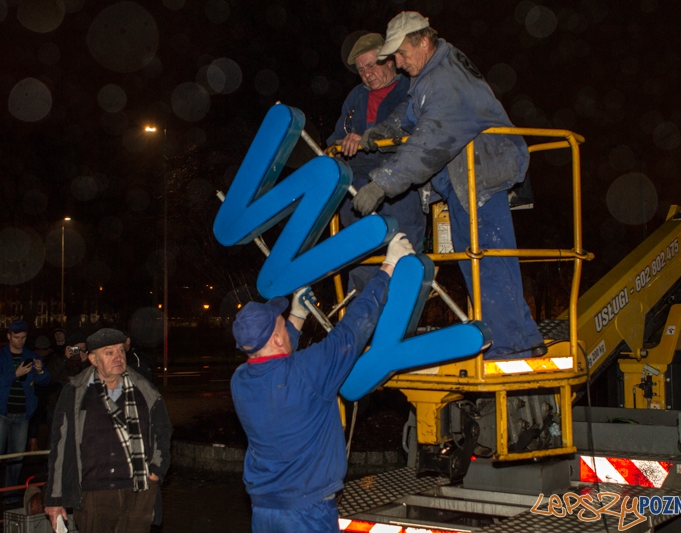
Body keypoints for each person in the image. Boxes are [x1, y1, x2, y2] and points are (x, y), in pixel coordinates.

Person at [352, 11, 545, 360]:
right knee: (481, 258)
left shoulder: (445, 81)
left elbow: (430, 141)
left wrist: (382, 183)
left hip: (480, 175)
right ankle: (520, 338)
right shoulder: (430, 75)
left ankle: (510, 347)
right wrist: (385, 131)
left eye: (401, 53)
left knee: (487, 261)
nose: (399, 62)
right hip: (464, 178)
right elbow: (411, 116)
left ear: (424, 41)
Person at [231, 233, 413, 532]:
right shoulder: (308, 372)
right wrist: (388, 266)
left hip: (264, 511)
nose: (285, 324)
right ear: (277, 338)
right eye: (282, 323)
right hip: (306, 512)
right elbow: (353, 330)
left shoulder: (240, 381)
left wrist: (297, 315)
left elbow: (276, 357)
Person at [44, 328, 172, 533]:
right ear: (93, 359)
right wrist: (54, 498)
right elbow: (59, 445)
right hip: (93, 493)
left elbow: (162, 431)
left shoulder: (144, 390)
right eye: (109, 353)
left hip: (139, 489)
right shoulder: (75, 393)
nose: (118, 357)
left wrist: (156, 470)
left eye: (121, 351)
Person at [327, 32, 425, 293]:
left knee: (404, 256)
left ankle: (401, 311)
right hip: (357, 188)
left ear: (390, 61)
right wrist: (342, 144)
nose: (367, 74)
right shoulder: (355, 97)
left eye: (371, 65)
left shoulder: (411, 90)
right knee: (362, 262)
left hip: (399, 186)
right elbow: (334, 140)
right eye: (361, 70)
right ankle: (360, 313)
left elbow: (420, 137)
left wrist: (368, 139)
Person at [0, 319, 51, 505]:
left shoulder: (31, 356)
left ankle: (9, 495)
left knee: (16, 458)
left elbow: (45, 381)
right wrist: (15, 374)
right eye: (16, 337)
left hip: (22, 415)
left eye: (23, 337)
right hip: (1, 414)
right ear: (9, 336)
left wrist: (41, 372)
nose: (20, 341)